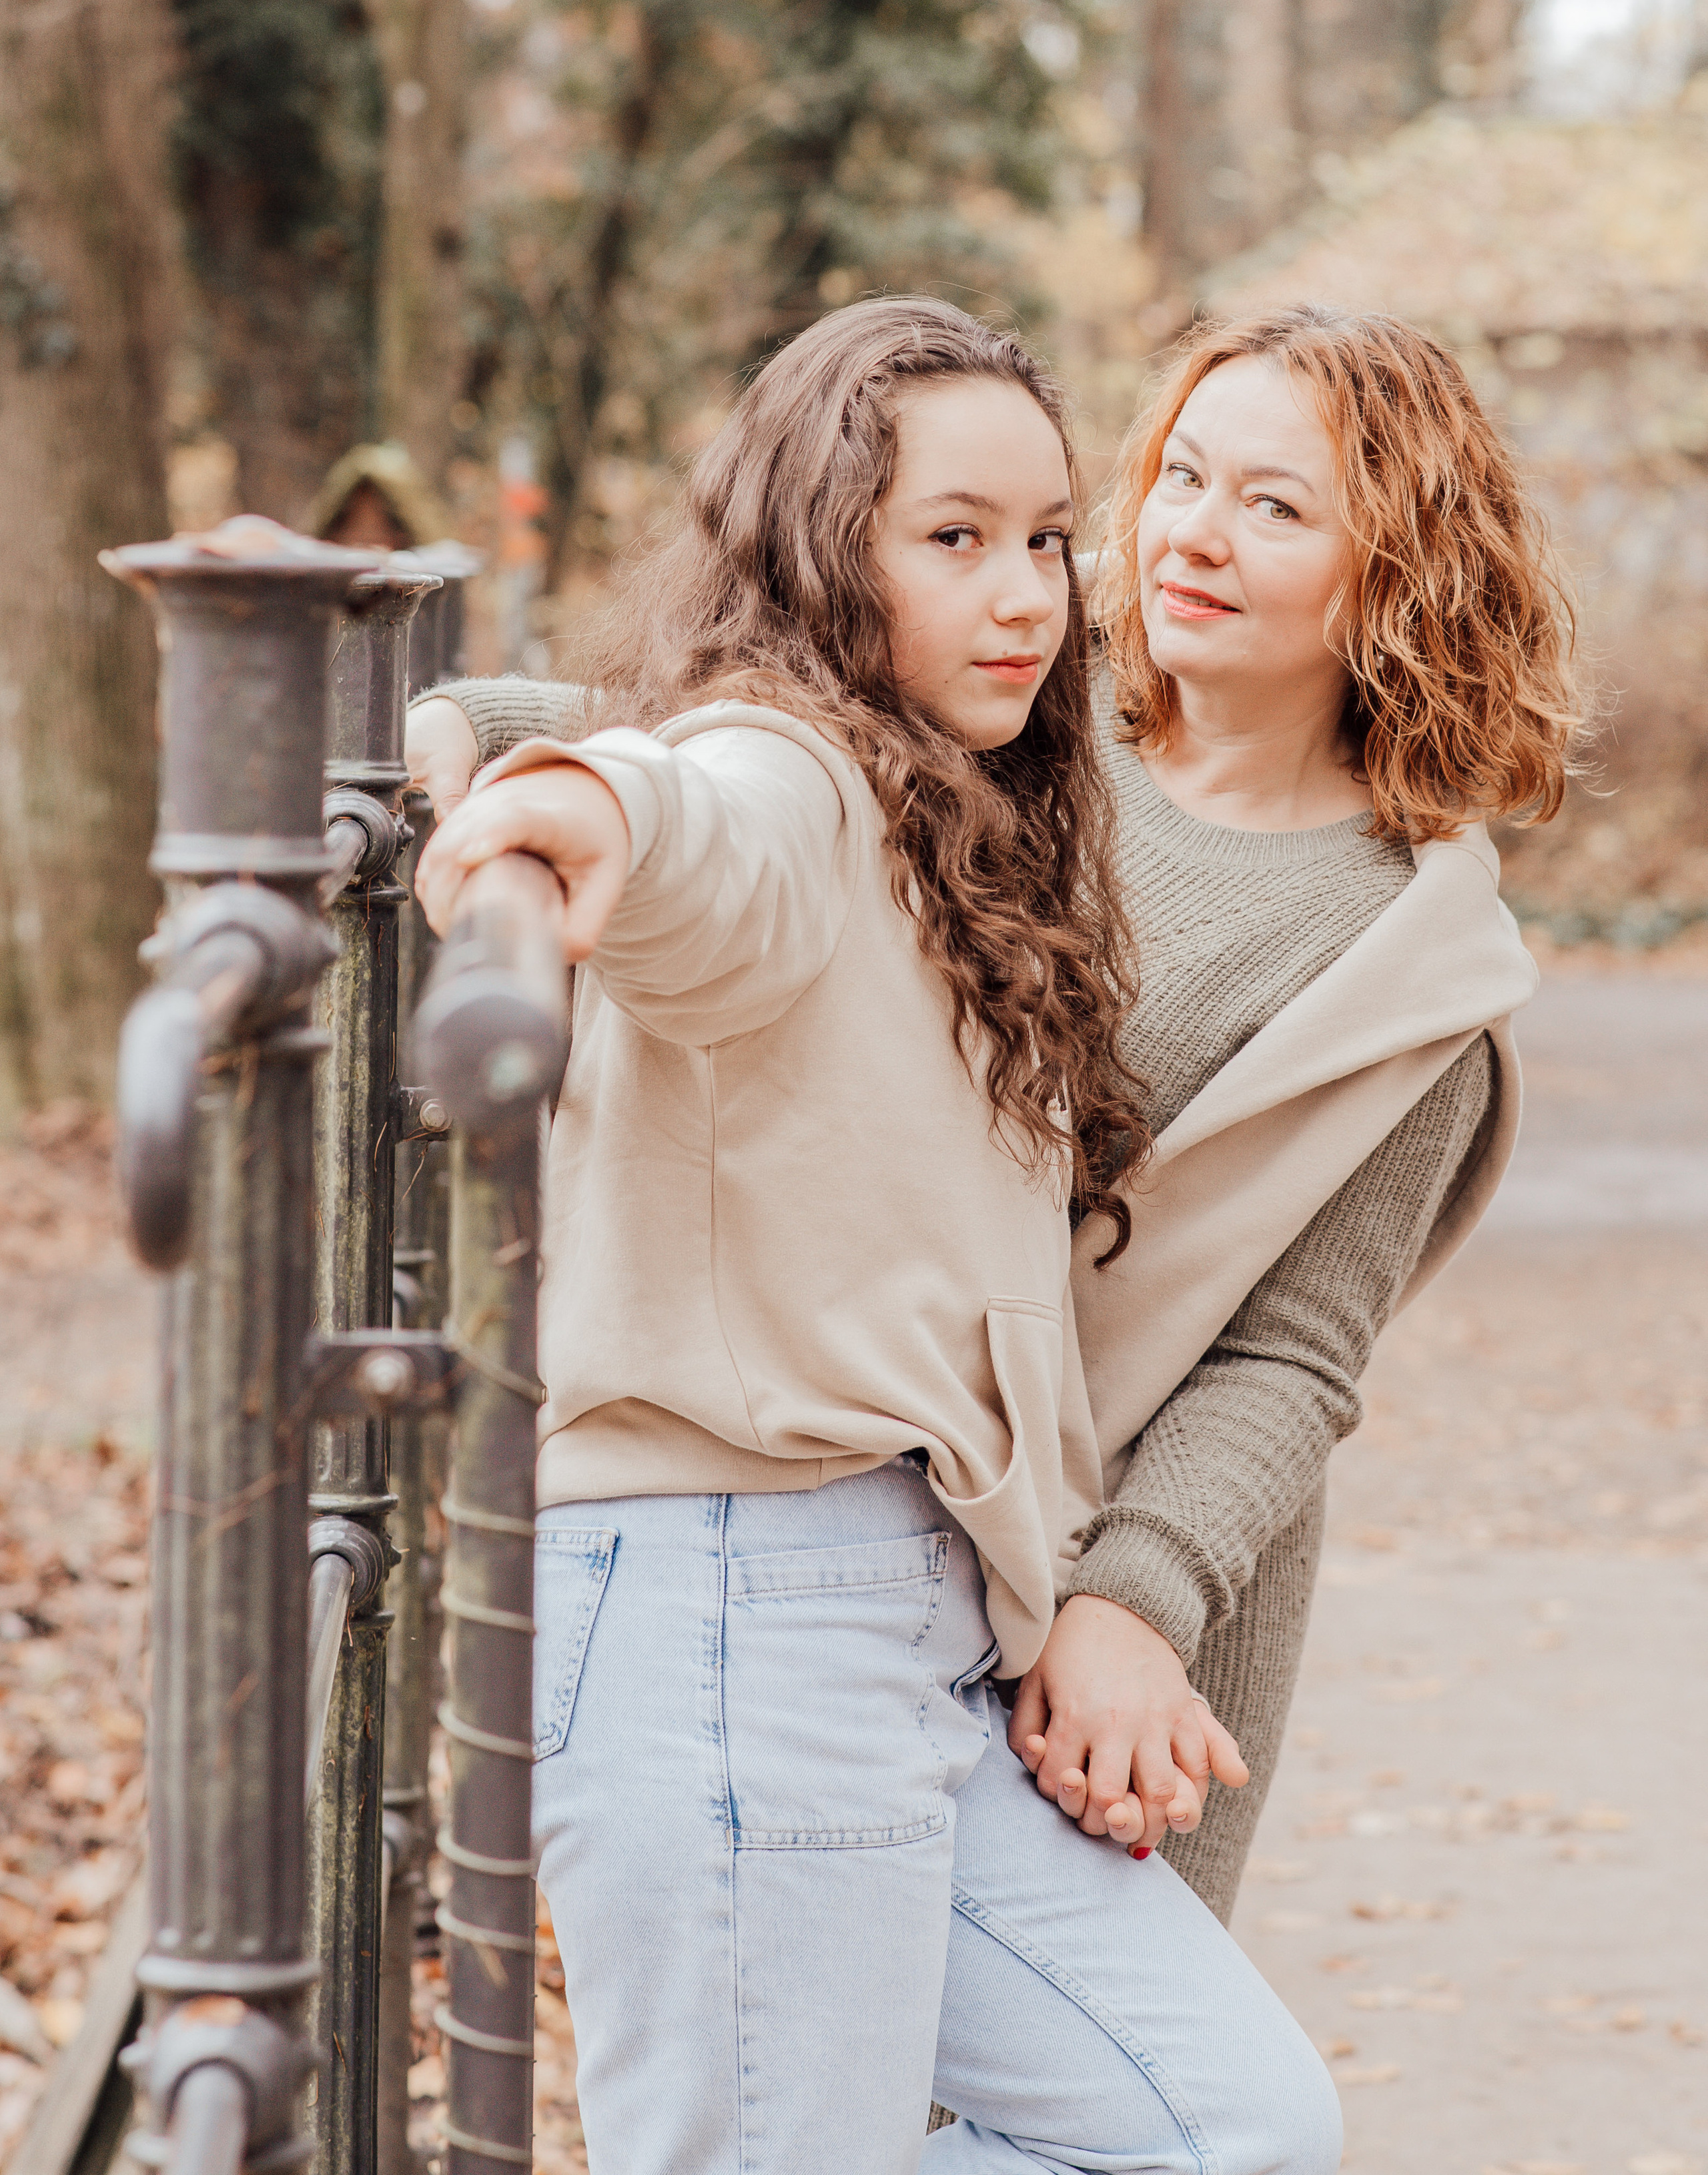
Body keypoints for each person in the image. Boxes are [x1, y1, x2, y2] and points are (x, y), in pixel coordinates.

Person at [409, 298, 1343, 2175]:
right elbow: (708, 824)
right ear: (825, 555)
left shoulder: (961, 823)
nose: (1028, 594)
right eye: (953, 537)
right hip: (729, 1605)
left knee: (1229, 2129)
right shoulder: (800, 777)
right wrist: (585, 804)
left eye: (1046, 537)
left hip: (904, 1624)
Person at [1012, 306, 1579, 1921]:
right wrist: (490, 738)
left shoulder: (1408, 966)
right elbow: (763, 759)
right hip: (873, 1509)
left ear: (1396, 570)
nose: (1193, 531)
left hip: (1150, 1581)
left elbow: (1288, 1353)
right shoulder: (1017, 728)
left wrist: (1129, 1609)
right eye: (1182, 476)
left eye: (1275, 505)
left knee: (1122, 2113)